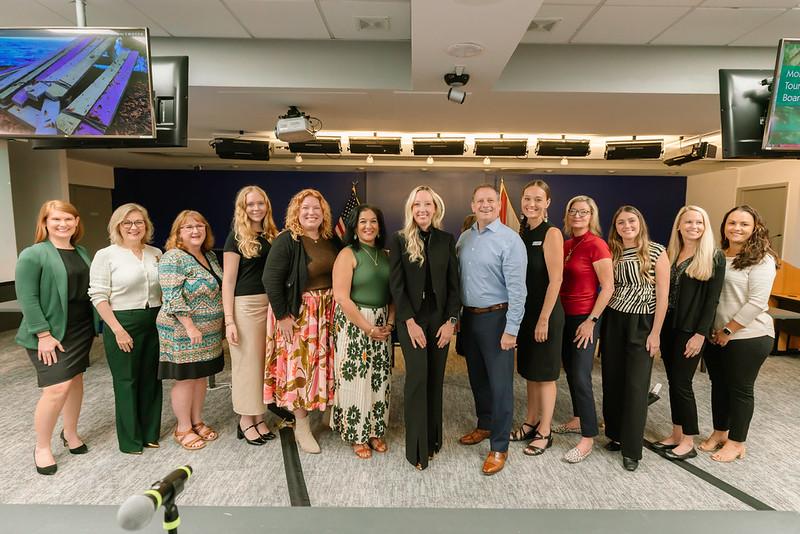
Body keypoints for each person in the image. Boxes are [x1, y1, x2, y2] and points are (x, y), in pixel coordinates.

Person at [16, 200, 98, 475]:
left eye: (68, 219)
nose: (63, 224)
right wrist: (43, 334)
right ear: (45, 223)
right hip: (50, 333)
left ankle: (70, 432)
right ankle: (42, 447)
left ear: (76, 223)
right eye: (56, 219)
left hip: (80, 329)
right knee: (56, 389)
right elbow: (27, 297)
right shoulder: (33, 254)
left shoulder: (81, 251)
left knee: (75, 382)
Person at [456, 183, 527, 475]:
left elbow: (518, 291)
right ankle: (484, 425)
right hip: (470, 318)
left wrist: (512, 330)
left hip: (498, 319)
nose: (485, 205)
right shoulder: (464, 238)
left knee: (500, 386)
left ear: (498, 205)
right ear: (472, 205)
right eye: (480, 200)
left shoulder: (510, 240)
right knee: (478, 379)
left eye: (490, 200)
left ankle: (499, 446)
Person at [389, 186, 460, 470]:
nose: (422, 209)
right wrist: (409, 321)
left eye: (427, 204)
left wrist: (451, 322)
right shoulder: (399, 239)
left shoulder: (446, 239)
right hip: (412, 320)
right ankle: (416, 449)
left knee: (435, 379)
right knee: (418, 378)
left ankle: (433, 439)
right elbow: (396, 286)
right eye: (417, 204)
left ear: (436, 208)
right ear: (411, 208)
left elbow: (454, 286)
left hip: (440, 321)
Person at [263, 189, 339, 454]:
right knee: (299, 369)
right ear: (296, 212)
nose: (311, 213)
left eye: (316, 208)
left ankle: (328, 411)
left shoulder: (330, 239)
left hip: (328, 312)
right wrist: (283, 315)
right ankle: (302, 425)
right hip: (299, 313)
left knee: (325, 364)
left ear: (323, 212)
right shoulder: (288, 240)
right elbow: (270, 279)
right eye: (305, 208)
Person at [700, 205, 777, 463]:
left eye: (744, 224)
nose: (737, 228)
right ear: (724, 226)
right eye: (732, 223)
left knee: (740, 389)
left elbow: (756, 302)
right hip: (716, 335)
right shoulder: (719, 256)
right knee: (719, 386)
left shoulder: (762, 260)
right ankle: (720, 432)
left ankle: (736, 442)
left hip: (748, 336)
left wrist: (728, 330)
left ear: (755, 228)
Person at [652, 206, 725, 461]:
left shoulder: (714, 257)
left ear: (705, 227)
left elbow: (712, 301)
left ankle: (688, 441)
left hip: (691, 329)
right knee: (673, 381)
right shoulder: (671, 253)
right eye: (689, 222)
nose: (694, 226)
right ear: (679, 226)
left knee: (683, 383)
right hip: (668, 325)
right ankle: (676, 434)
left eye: (699, 222)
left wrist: (700, 335)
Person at [89, 203, 163, 454]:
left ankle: (150, 433)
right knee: (126, 381)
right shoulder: (106, 255)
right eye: (127, 222)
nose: (134, 227)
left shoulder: (155, 253)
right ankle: (131, 440)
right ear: (117, 226)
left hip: (154, 321)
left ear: (146, 225)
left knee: (152, 379)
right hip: (122, 322)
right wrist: (117, 330)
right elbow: (98, 296)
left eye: (139, 222)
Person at [600, 206, 669, 471]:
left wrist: (656, 332)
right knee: (612, 380)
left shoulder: (656, 251)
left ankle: (632, 449)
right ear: (615, 226)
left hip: (642, 322)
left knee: (636, 386)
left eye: (631, 221)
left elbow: (662, 295)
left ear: (640, 223)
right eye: (621, 222)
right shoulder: (612, 251)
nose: (626, 226)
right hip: (614, 319)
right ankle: (616, 435)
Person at [157, 210, 224, 450]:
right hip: (182, 330)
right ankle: (183, 428)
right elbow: (172, 296)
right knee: (186, 379)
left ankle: (197, 421)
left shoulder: (209, 256)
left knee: (200, 377)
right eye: (188, 227)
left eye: (199, 226)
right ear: (178, 232)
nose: (195, 231)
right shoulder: (173, 258)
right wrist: (189, 326)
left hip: (209, 331)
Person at [332, 204, 395, 459]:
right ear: (355, 227)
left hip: (382, 323)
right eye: (363, 222)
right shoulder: (347, 254)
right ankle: (356, 434)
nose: (368, 226)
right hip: (355, 324)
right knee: (356, 380)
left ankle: (375, 431)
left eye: (373, 221)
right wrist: (368, 328)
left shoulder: (387, 255)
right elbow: (341, 297)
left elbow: (394, 294)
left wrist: (390, 323)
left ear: (380, 226)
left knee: (379, 379)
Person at [554, 195, 613, 464]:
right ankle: (578, 418)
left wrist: (591, 321)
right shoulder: (566, 244)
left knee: (580, 375)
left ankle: (588, 437)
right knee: (570, 370)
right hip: (563, 317)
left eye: (583, 212)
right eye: (573, 211)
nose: (577, 215)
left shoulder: (597, 244)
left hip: (584, 318)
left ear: (592, 216)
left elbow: (608, 287)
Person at [222, 186, 279, 446]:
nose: (256, 208)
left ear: (267, 205)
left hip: (269, 306)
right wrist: (229, 320)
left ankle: (258, 415)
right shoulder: (235, 237)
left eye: (260, 203)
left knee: (263, 365)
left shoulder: (271, 235)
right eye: (250, 204)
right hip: (245, 306)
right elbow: (228, 281)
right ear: (242, 208)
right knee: (247, 365)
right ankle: (246, 420)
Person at [512, 180, 564, 458]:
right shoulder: (522, 233)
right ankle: (530, 422)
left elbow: (556, 280)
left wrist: (544, 319)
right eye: (527, 198)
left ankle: (545, 431)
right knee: (530, 372)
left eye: (538, 199)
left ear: (547, 203)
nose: (531, 204)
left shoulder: (551, 233)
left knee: (544, 375)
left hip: (546, 313)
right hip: (526, 314)